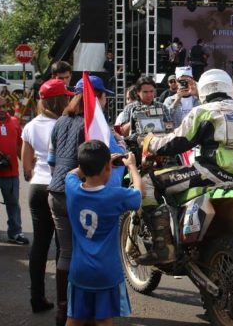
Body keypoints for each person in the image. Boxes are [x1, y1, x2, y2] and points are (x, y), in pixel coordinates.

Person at [135, 69, 233, 266]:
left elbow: (178, 142)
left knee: (148, 182)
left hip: (210, 172)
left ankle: (162, 248)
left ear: (205, 89)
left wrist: (149, 141)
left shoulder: (204, 110)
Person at [47, 76, 116, 326]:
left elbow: (52, 160)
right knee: (88, 252)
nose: (106, 101)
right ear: (95, 96)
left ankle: (63, 312)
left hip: (56, 191)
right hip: (80, 194)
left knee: (65, 252)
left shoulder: (60, 121)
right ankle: (86, 311)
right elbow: (96, 164)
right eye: (104, 96)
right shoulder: (91, 125)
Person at [65, 142, 142, 325]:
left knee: (74, 319)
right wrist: (131, 166)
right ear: (108, 167)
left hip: (79, 270)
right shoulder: (116, 195)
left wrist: (93, 164)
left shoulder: (72, 188)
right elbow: (140, 193)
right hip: (106, 272)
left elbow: (72, 174)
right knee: (104, 321)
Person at [21, 79, 74, 313]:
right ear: (61, 99)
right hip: (61, 187)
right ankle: (67, 302)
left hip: (37, 187)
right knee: (65, 246)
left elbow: (25, 166)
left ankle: (37, 297)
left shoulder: (30, 125)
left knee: (40, 244)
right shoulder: (67, 123)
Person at [0, 94, 27, 250]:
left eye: (4, 106)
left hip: (11, 173)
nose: (3, 110)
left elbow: (20, 146)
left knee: (14, 204)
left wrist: (28, 166)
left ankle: (15, 233)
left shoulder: (14, 122)